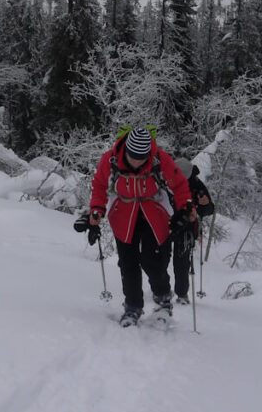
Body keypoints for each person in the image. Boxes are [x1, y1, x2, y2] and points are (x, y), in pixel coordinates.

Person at [89, 127, 195, 326]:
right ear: (126, 150)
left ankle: (163, 300)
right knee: (128, 264)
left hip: (153, 214)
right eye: (133, 157)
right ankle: (132, 307)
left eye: (141, 158)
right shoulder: (110, 159)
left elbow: (179, 185)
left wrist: (186, 207)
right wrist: (96, 210)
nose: (136, 162)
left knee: (152, 261)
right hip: (123, 216)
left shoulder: (159, 159)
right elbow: (100, 185)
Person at [169, 157, 215, 304]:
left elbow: (209, 209)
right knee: (160, 259)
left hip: (187, 227)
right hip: (166, 224)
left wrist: (205, 205)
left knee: (181, 262)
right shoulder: (166, 180)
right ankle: (161, 288)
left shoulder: (196, 185)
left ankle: (182, 294)